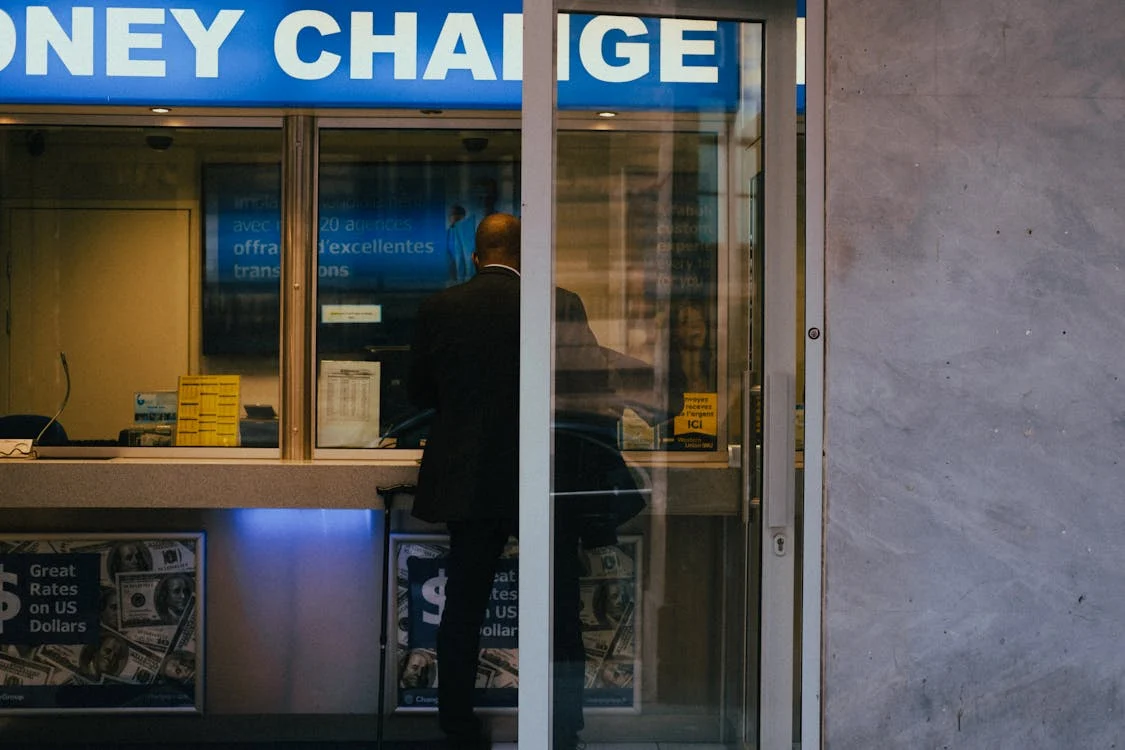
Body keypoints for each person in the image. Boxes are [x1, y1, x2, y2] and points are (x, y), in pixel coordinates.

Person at [409, 212, 610, 750]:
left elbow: (420, 393)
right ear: (526, 252)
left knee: (463, 609)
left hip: (470, 482)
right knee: (561, 608)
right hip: (544, 478)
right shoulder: (559, 302)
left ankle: (458, 727)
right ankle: (564, 728)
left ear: (476, 257)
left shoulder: (440, 308)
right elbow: (590, 387)